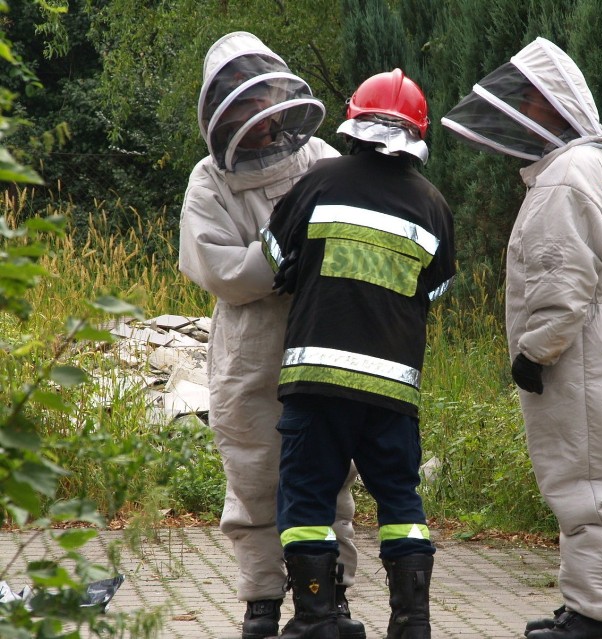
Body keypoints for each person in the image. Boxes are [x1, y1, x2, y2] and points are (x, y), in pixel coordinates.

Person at [441, 37, 602, 639]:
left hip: (573, 353)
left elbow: (560, 281)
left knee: (582, 483)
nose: (522, 108)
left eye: (530, 97)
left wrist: (534, 352)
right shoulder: (593, 168)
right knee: (588, 475)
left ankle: (594, 617)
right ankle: (584, 605)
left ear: (554, 105)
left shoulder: (564, 177)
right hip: (596, 342)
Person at [178, 31, 364, 639]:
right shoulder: (209, 182)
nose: (258, 121)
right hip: (252, 349)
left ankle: (329, 601)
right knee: (256, 478)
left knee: (329, 477)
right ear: (223, 113)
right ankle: (261, 604)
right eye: (243, 109)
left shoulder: (320, 161)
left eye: (264, 105)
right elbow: (221, 271)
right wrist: (290, 259)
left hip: (323, 339)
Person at [260, 68, 455, 639]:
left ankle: (318, 621)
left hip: (317, 381)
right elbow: (435, 290)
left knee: (306, 500)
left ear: (354, 122)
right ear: (416, 135)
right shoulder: (434, 205)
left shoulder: (318, 183)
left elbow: (276, 261)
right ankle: (412, 625)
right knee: (400, 499)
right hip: (392, 392)